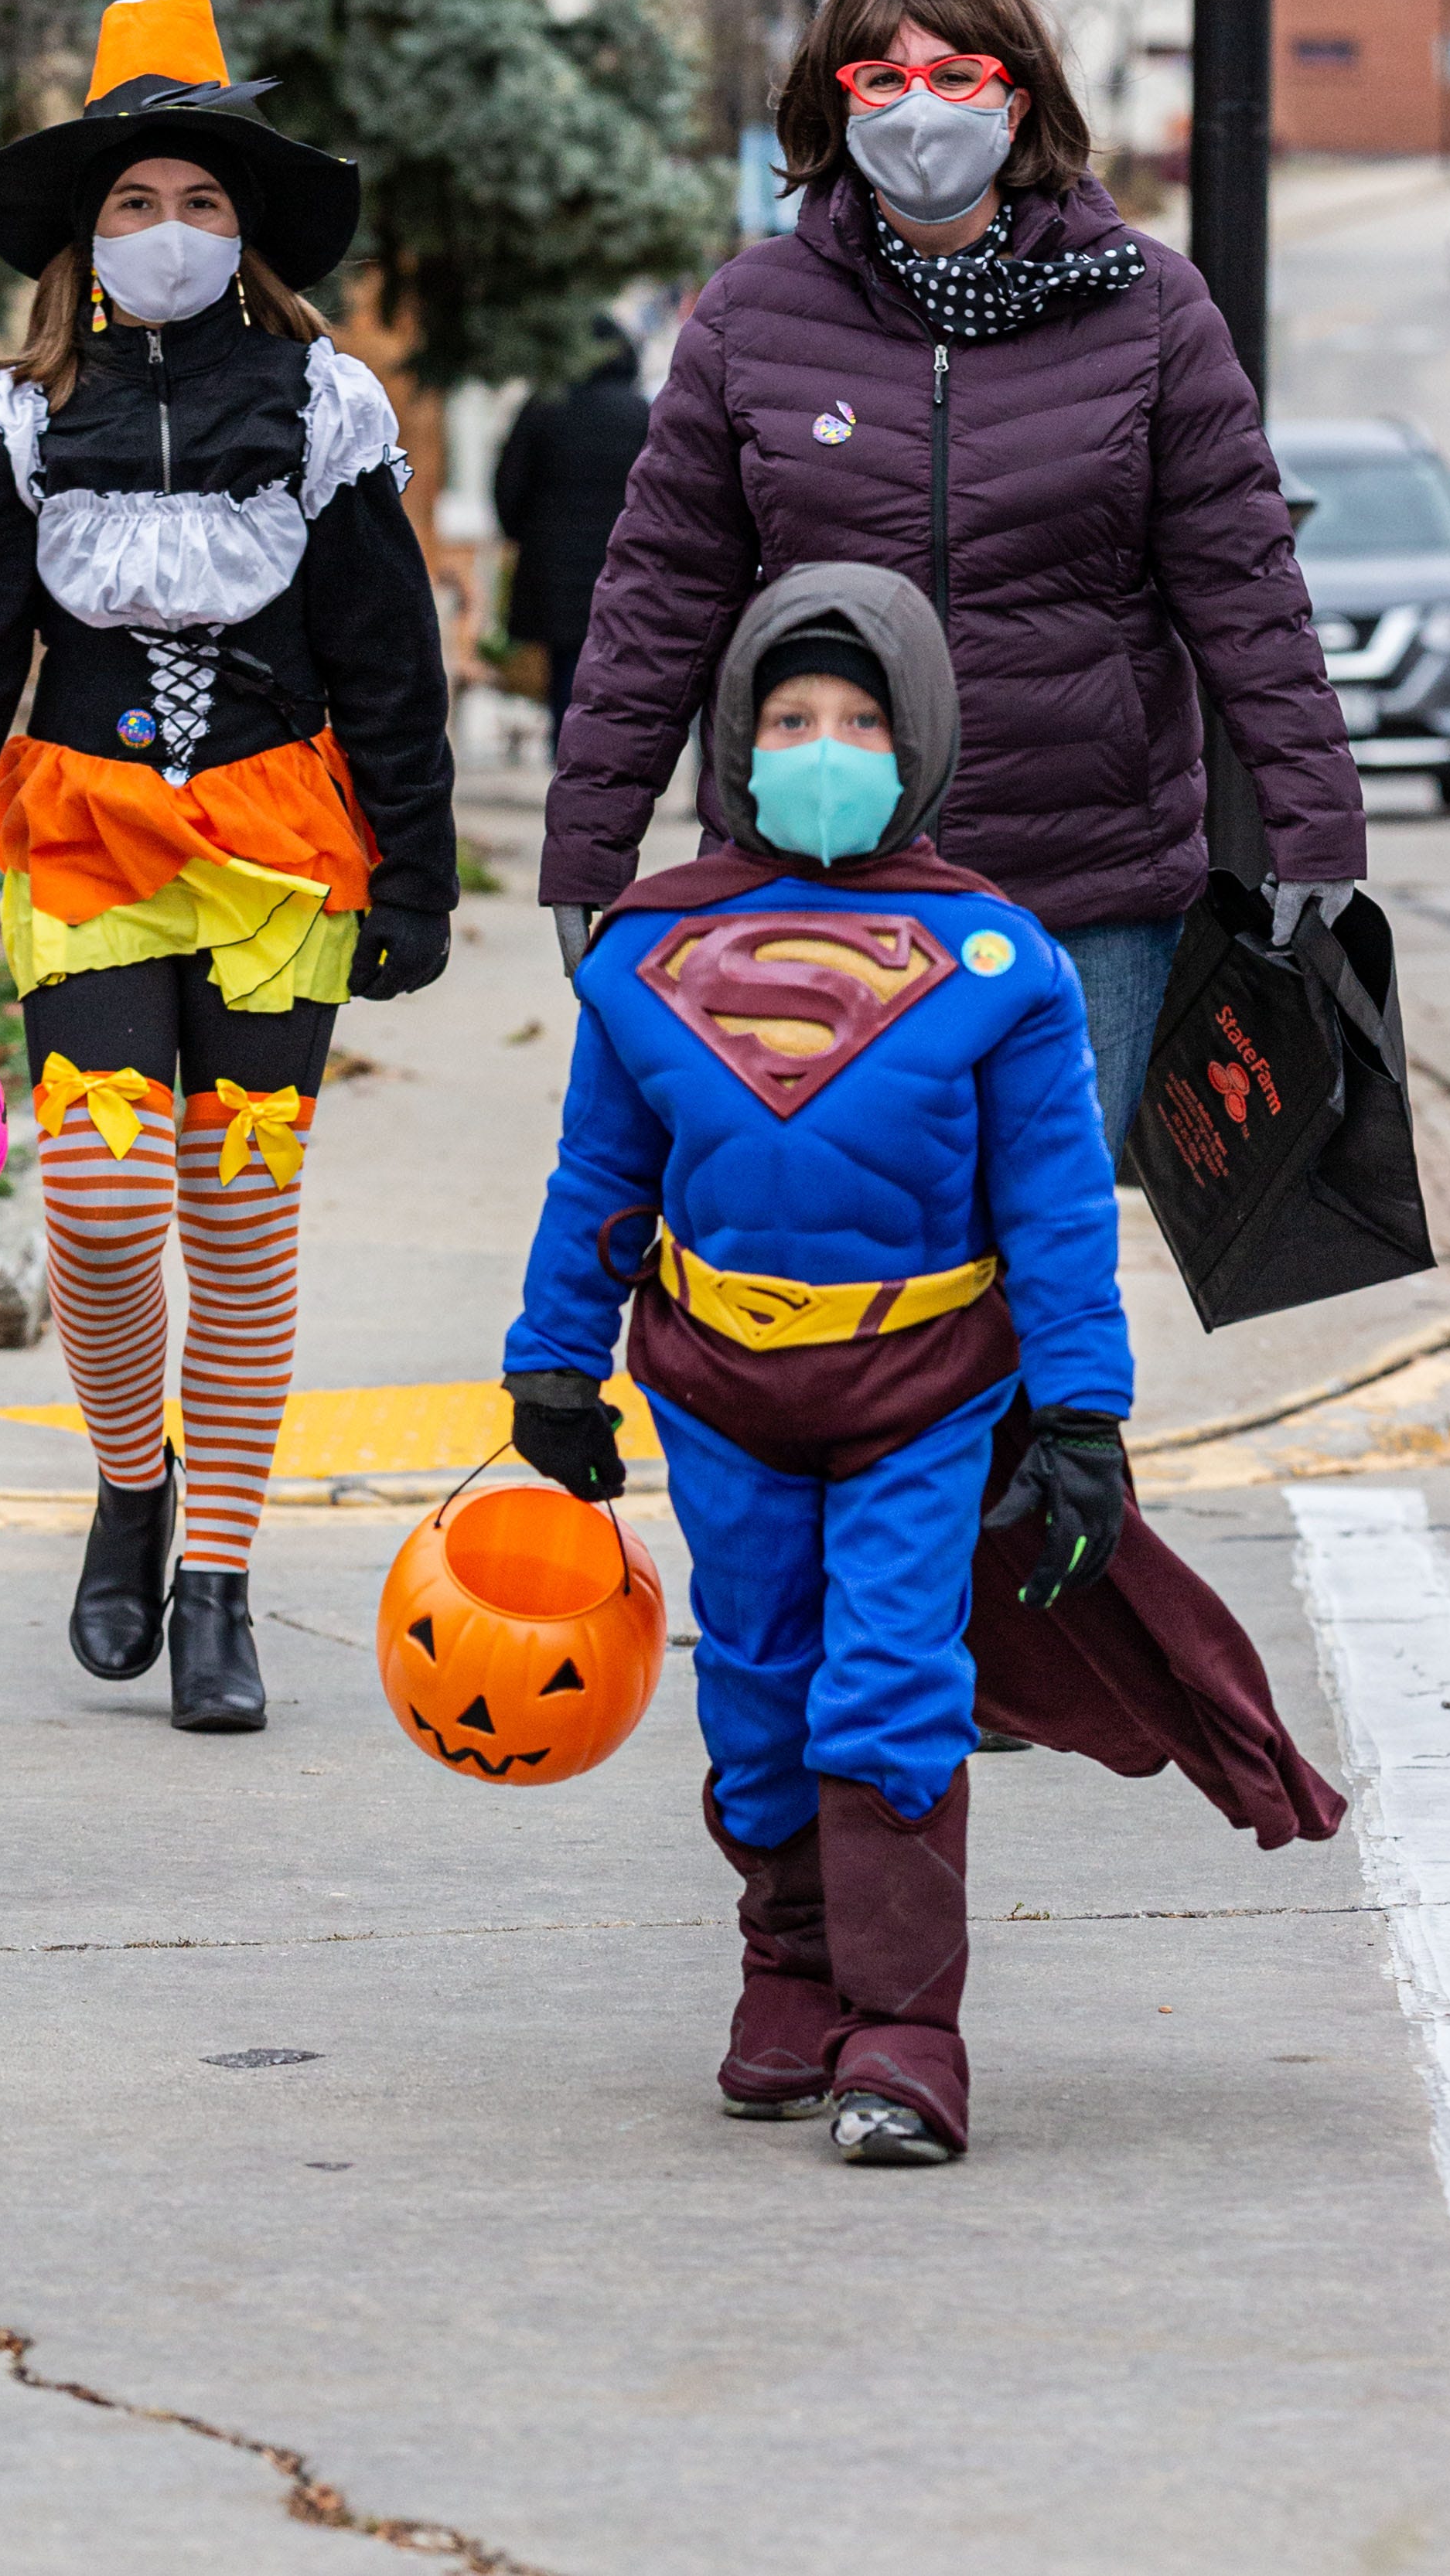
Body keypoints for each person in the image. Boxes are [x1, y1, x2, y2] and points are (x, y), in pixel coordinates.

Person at [503, 563, 1343, 2167]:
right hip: (719, 1389)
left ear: (924, 741)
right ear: (738, 743)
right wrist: (553, 1364)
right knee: (753, 1683)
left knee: (890, 1682)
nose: (825, 746)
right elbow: (599, 1182)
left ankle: (903, 2029)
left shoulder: (998, 964)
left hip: (922, 1394)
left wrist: (1086, 1412)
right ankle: (788, 1971)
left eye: (862, 720)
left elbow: (1050, 1212)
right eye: (791, 717)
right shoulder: (642, 958)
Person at [0, 0, 456, 1733]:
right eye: (136, 201)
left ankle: (219, 1578)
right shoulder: (15, 419)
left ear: (246, 236)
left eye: (204, 200)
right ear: (88, 236)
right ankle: (129, 1481)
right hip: (85, 837)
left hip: (284, 851)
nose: (169, 229)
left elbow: (392, 666)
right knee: (93, 1205)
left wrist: (422, 879)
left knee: (236, 1217)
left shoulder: (325, 407)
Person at [539, 0, 1366, 1163]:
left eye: (955, 73)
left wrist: (1315, 816)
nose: (918, 105)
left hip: (1085, 888)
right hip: (815, 869)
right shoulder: (752, 317)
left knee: (1041, 1251)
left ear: (1016, 98)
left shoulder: (1144, 306)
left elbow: (1243, 588)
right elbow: (659, 597)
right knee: (851, 1243)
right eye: (879, 78)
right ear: (836, 107)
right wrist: (589, 840)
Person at [492, 316, 650, 738]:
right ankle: (602, 749)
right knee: (613, 658)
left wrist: (523, 535)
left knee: (565, 659)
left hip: (553, 565)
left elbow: (508, 483)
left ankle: (564, 748)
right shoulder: (641, 415)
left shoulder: (544, 404)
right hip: (621, 564)